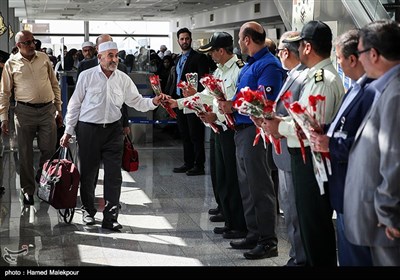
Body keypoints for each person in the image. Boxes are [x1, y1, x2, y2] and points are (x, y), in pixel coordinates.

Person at [60, 41, 168, 231]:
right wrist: (68, 131)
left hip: (113, 131)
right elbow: (74, 105)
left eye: (116, 55)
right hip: (88, 130)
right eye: (110, 55)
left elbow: (136, 101)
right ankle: (88, 211)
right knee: (89, 173)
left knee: (114, 175)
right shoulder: (87, 76)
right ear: (99, 57)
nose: (114, 59)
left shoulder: (123, 78)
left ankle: (110, 217)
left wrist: (153, 102)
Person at [264, 20, 344, 266]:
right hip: (304, 157)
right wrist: (282, 121)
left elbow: (311, 126)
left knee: (314, 224)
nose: (296, 51)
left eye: (299, 46)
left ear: (307, 48)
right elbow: (304, 116)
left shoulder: (321, 78)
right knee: (308, 224)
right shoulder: (314, 75)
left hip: (312, 160)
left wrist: (280, 126)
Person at [167, 32, 247, 239]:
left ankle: (238, 224)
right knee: (221, 175)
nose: (210, 55)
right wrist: (178, 103)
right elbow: (207, 95)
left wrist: (216, 115)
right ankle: (229, 219)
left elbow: (238, 103)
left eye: (212, 51)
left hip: (231, 131)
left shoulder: (239, 71)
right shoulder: (220, 70)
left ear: (221, 51)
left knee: (232, 178)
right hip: (218, 128)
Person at [218, 21, 285, 260]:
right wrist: (229, 104)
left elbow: (266, 101)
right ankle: (254, 233)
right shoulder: (250, 65)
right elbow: (242, 96)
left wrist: (233, 105)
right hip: (241, 130)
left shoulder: (269, 65)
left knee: (261, 186)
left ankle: (268, 240)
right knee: (247, 186)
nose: (238, 43)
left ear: (247, 39)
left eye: (239, 39)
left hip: (256, 132)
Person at [309, 29, 375, 266]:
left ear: (353, 59)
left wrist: (331, 143)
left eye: (339, 58)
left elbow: (367, 144)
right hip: (344, 190)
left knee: (357, 257)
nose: (338, 63)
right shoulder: (355, 88)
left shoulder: (372, 92)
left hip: (357, 191)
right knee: (347, 254)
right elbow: (343, 126)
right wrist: (324, 128)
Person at [343, 20, 400, 266]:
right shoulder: (385, 89)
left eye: (361, 53)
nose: (360, 60)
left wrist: (389, 213)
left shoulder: (395, 94)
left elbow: (394, 158)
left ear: (373, 54)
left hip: (385, 223)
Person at [254, 31, 308, 266]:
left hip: (295, 151)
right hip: (285, 152)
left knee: (297, 211)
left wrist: (276, 123)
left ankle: (301, 258)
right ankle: (296, 256)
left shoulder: (305, 77)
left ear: (285, 52)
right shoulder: (292, 74)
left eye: (279, 52)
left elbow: (302, 118)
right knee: (290, 209)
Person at [0, 30, 63, 205]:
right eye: (27, 43)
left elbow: (54, 84)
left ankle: (42, 179)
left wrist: (58, 108)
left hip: (47, 111)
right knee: (25, 154)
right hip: (24, 112)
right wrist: (3, 117)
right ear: (18, 46)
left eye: (33, 41)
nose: (31, 45)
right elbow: (4, 93)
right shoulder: (11, 64)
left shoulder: (43, 58)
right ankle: (28, 190)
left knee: (49, 150)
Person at [170, 27, 209, 176]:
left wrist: (196, 95)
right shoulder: (178, 59)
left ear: (191, 40)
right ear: (178, 41)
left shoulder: (199, 58)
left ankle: (199, 165)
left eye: (187, 38)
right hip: (180, 101)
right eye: (182, 39)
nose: (184, 41)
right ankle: (188, 163)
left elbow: (204, 80)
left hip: (194, 101)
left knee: (195, 134)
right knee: (184, 134)